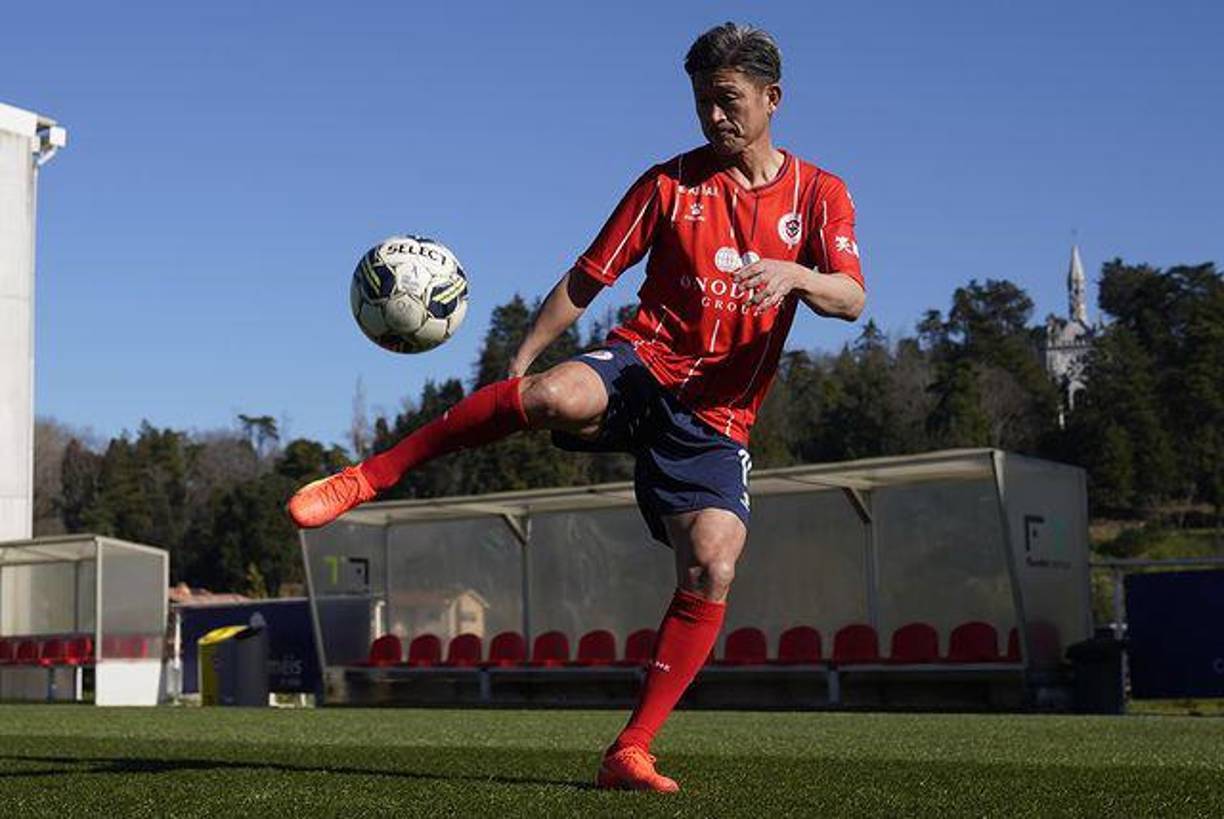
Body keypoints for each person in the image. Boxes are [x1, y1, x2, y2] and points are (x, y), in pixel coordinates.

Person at [288, 22, 865, 792]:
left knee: (714, 563)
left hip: (717, 419)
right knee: (555, 394)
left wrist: (795, 275)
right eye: (701, 103)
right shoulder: (668, 185)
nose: (713, 117)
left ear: (772, 98)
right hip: (644, 366)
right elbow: (588, 278)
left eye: (727, 101)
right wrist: (524, 360)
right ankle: (370, 475)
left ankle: (629, 749)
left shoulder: (820, 195)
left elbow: (852, 298)